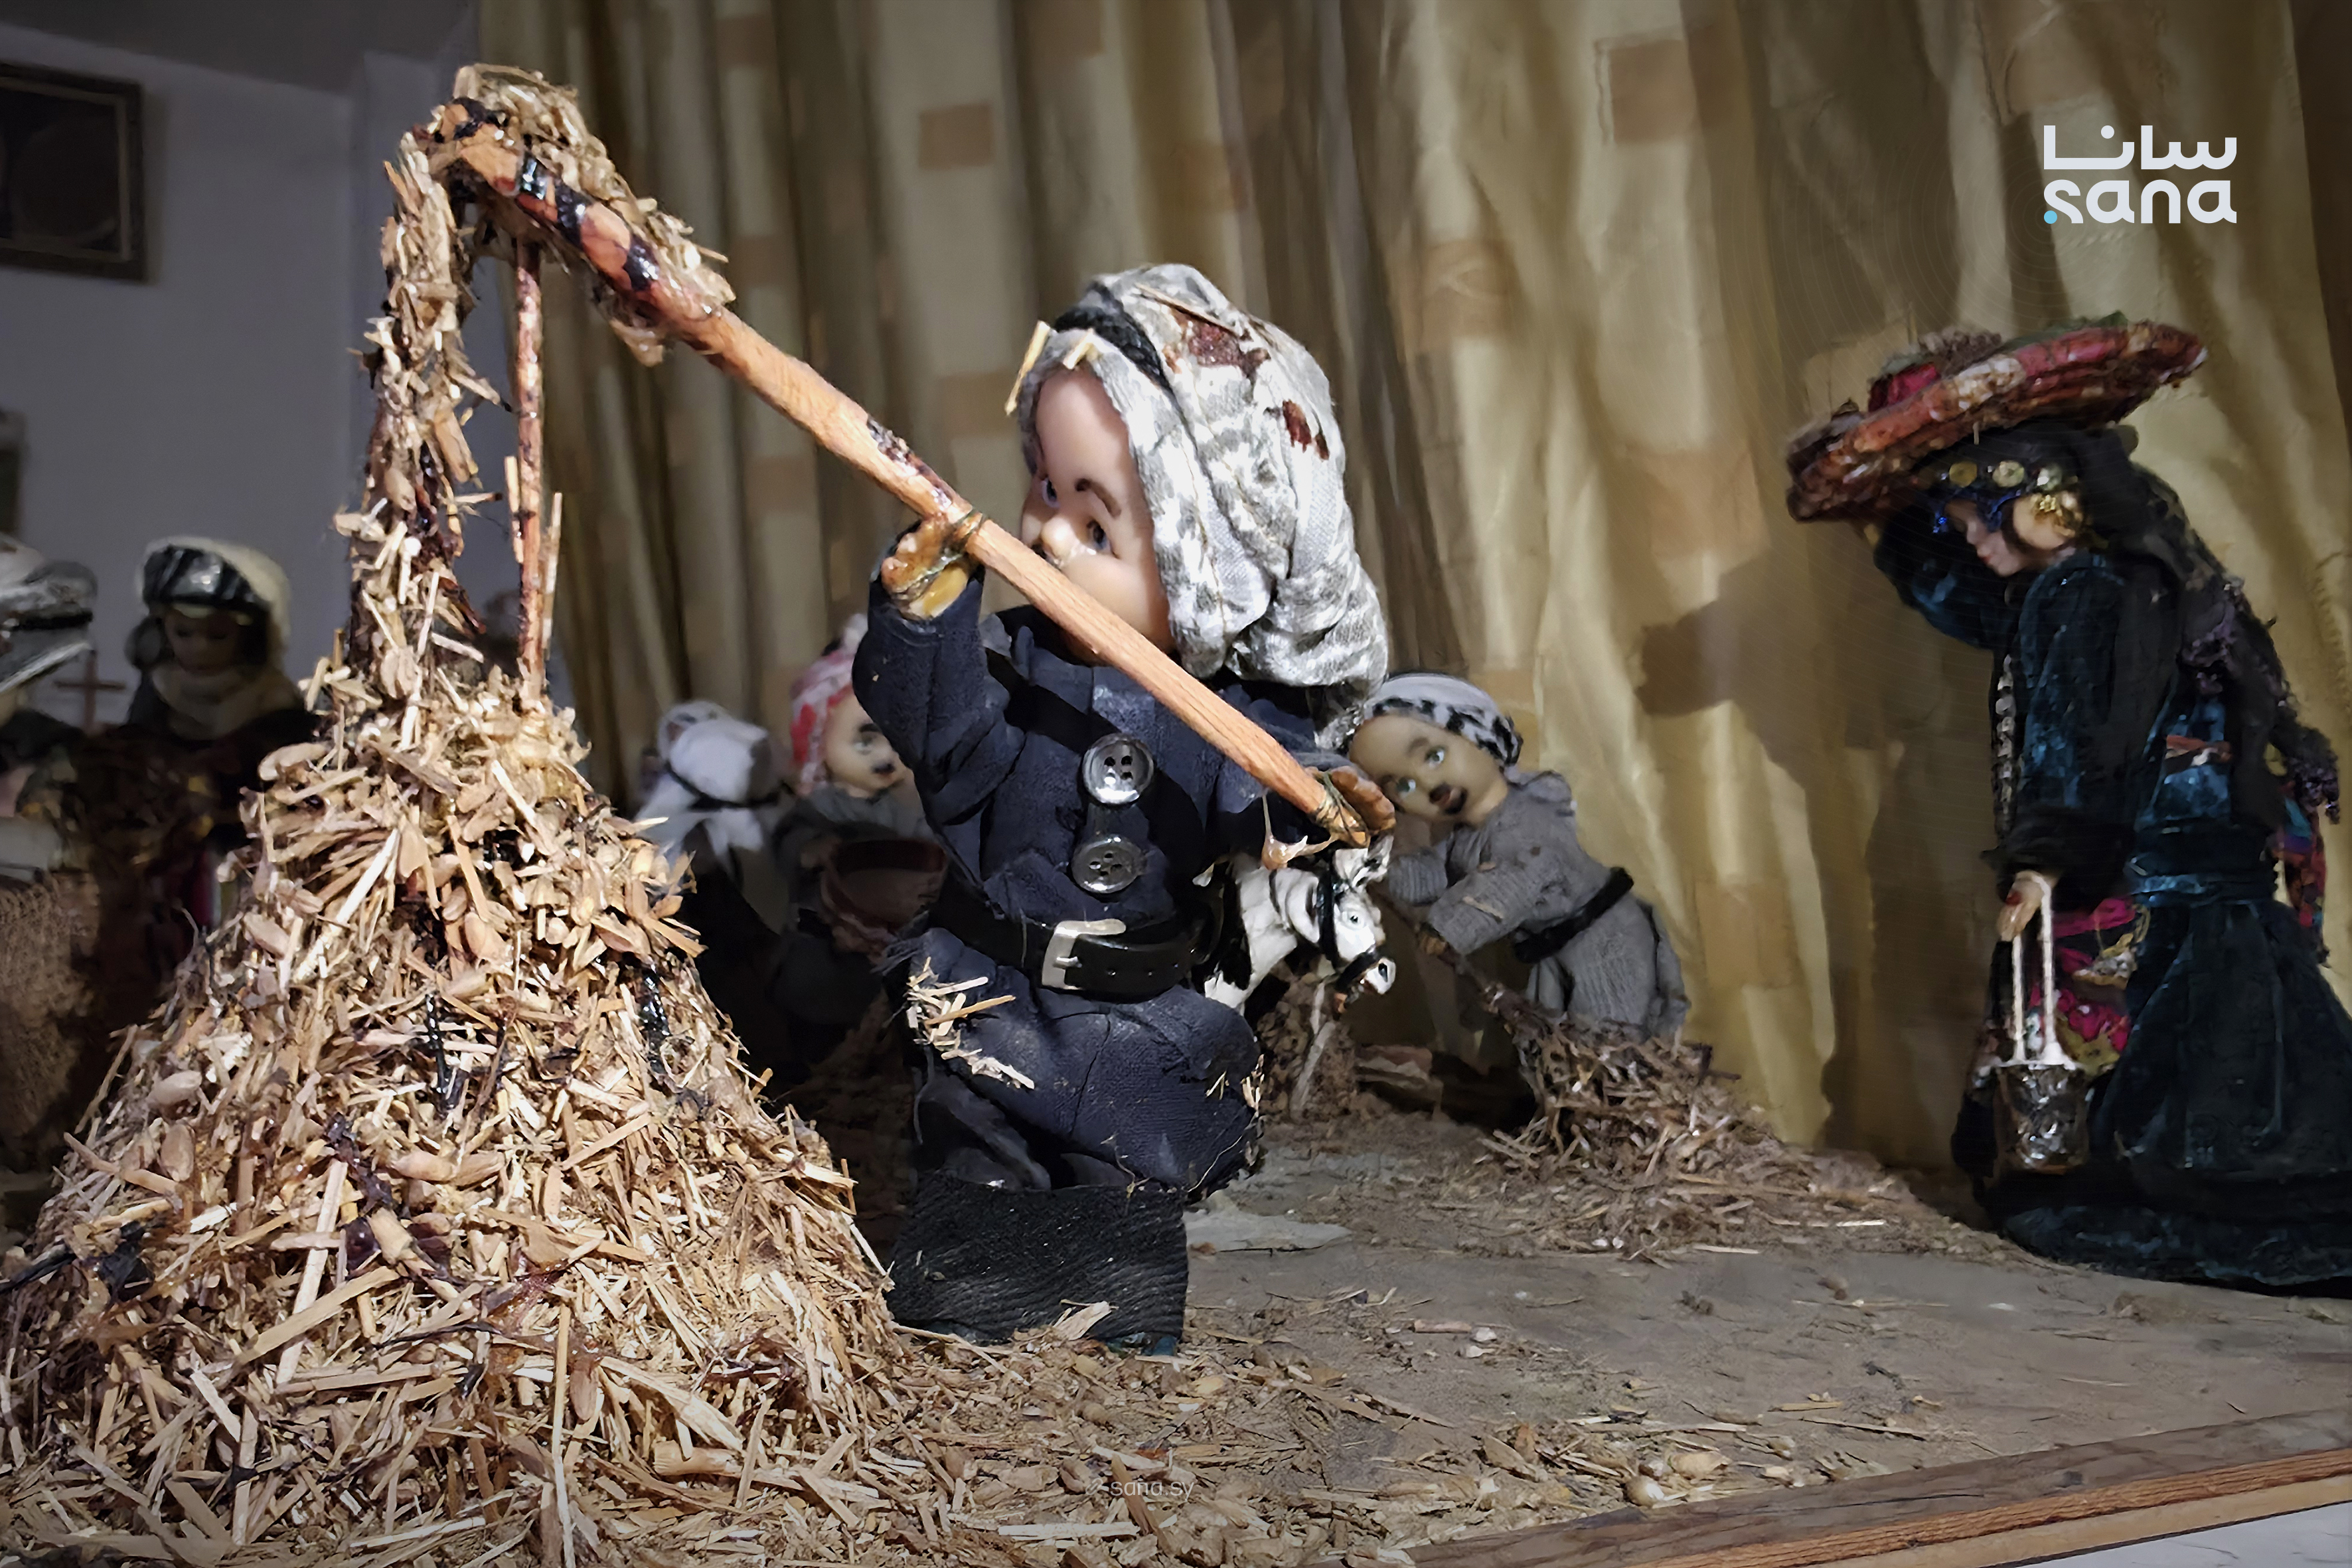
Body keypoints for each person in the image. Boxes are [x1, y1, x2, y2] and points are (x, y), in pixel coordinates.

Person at [852, 263, 1389, 1346]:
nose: (1048, 536)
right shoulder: (1011, 661)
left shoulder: (1223, 706)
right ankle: (971, 1315)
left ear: (1206, 566)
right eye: (1044, 491)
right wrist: (923, 621)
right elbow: (945, 745)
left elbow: (1259, 785)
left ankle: (1111, 1327)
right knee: (979, 1145)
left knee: (1117, 1173)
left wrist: (1307, 812)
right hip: (996, 986)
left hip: (1133, 1001)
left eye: (1096, 527)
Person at [1789, 319, 2352, 1286]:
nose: (1970, 542)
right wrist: (1896, 522)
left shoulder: (2079, 590)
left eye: (1974, 519)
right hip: (2212, 866)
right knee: (2256, 1065)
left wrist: (2045, 858)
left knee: (2114, 1111)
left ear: (2040, 498)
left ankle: (2166, 1204)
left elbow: (2080, 734)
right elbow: (1999, 625)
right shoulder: (2144, 574)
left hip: (2142, 877)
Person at [1351, 672, 1687, 1039]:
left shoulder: (1526, 818)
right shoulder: (1465, 839)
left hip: (1606, 940)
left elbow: (1519, 877)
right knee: (1551, 1037)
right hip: (1554, 950)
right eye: (1404, 786)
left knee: (1609, 1036)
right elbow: (1432, 876)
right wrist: (1374, 868)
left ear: (1479, 735)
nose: (1429, 785)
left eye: (1434, 756)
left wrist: (1449, 926)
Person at [770, 617, 938, 1067]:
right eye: (865, 743)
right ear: (820, 737)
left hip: (887, 960)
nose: (885, 758)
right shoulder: (821, 807)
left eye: (896, 743)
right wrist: (810, 850)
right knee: (816, 1041)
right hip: (823, 957)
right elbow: (788, 842)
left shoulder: (907, 809)